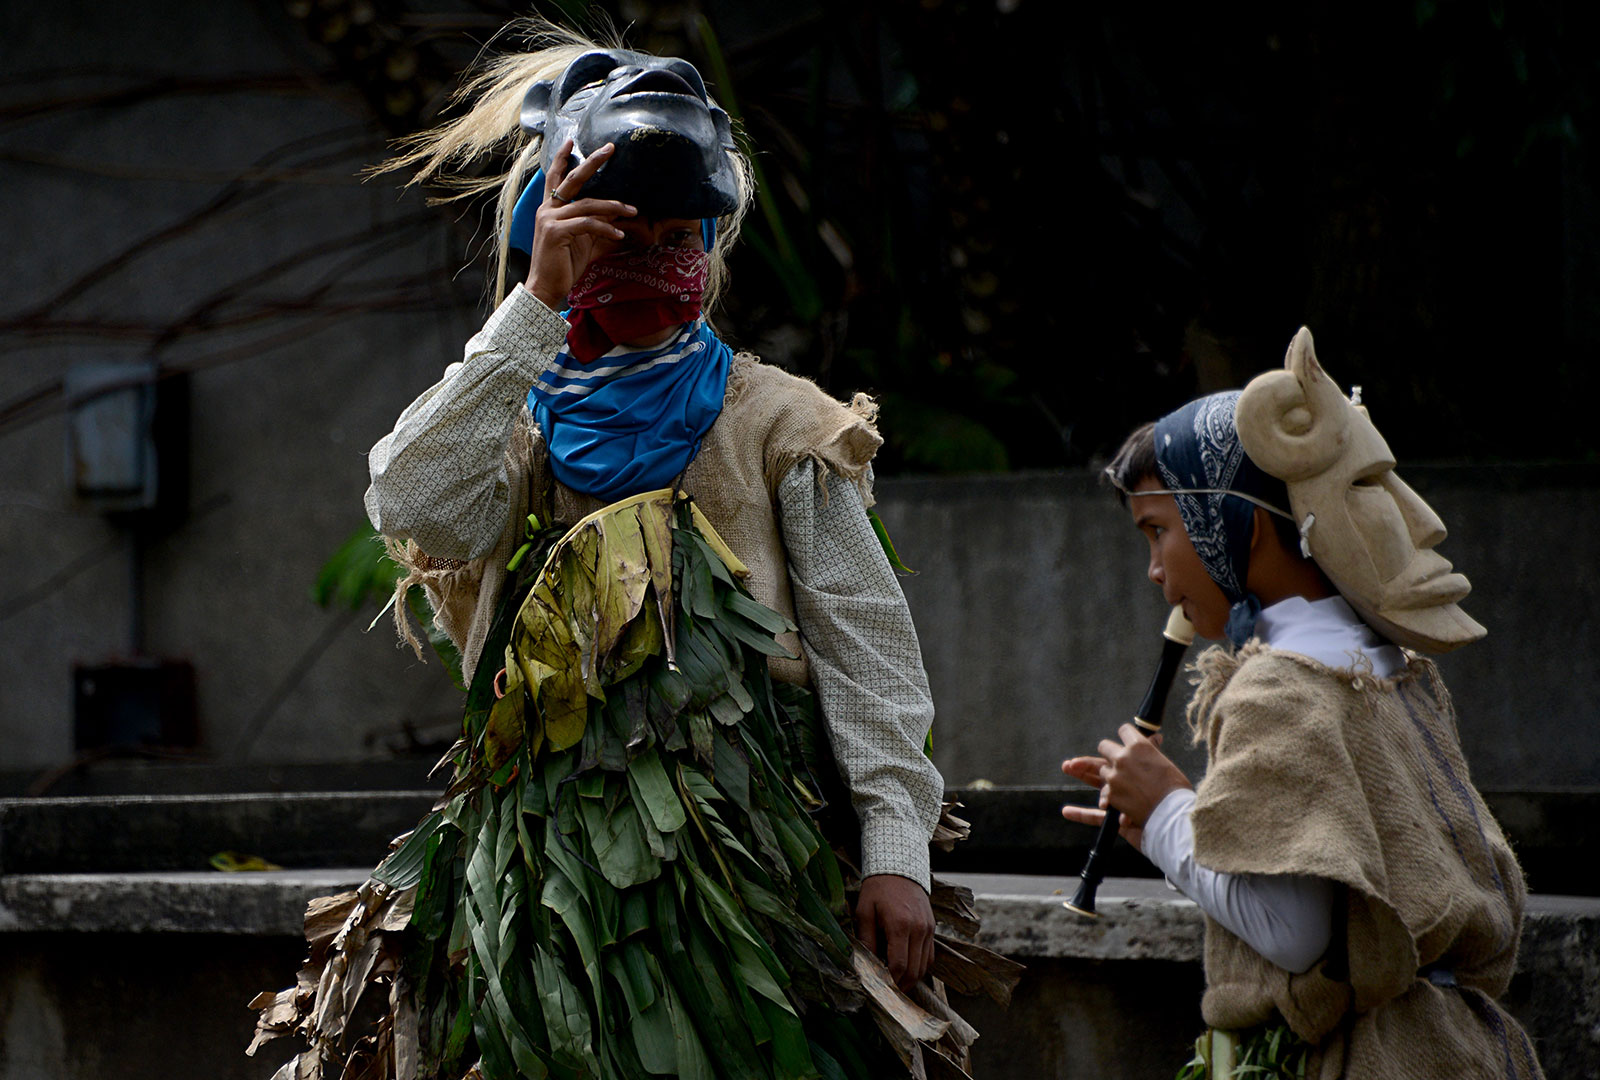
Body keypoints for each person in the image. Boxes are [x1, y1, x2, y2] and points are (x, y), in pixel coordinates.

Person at [249, 19, 1015, 1080]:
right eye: (619, 234)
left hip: (756, 879)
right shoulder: (509, 426)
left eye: (676, 237)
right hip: (543, 891)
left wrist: (895, 860)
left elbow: (869, 655)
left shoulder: (781, 426)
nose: (652, 259)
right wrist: (534, 308)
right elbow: (412, 508)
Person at [1061, 328, 1543, 1078]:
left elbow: (1291, 932)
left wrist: (1163, 814)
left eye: (1158, 533)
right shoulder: (1391, 664)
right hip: (1456, 1048)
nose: (1155, 571)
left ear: (1238, 525)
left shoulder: (1276, 685)